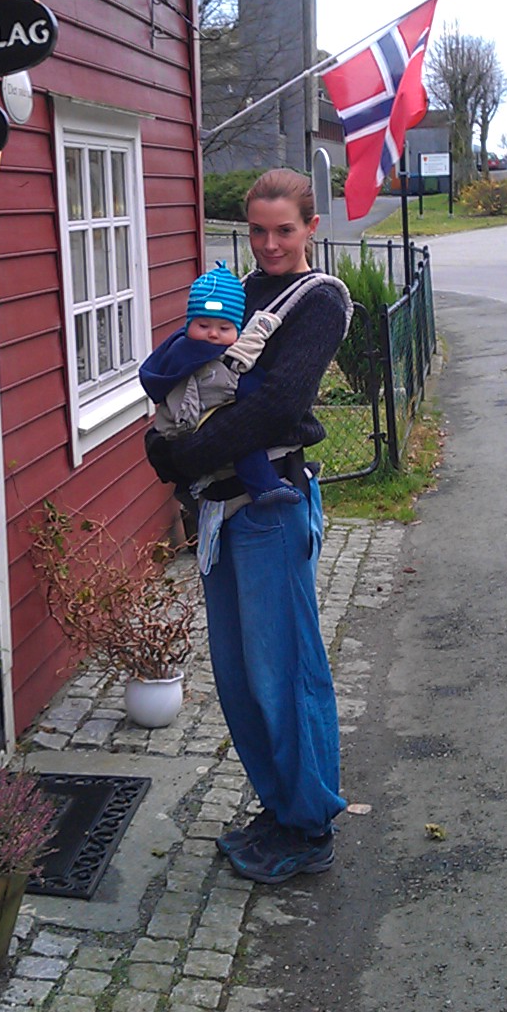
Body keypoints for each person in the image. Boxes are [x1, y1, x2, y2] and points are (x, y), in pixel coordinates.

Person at [144, 169, 353, 884]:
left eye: (284, 230)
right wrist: (163, 437)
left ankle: (309, 824)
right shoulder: (237, 292)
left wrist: (181, 457)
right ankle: (279, 806)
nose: (269, 244)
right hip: (218, 511)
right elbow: (188, 375)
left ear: (310, 228)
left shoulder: (318, 300)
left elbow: (277, 406)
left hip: (270, 510)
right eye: (258, 230)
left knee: (283, 672)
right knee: (238, 676)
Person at [139, 261, 294, 506]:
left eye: (224, 328)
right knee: (242, 439)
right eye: (203, 325)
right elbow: (246, 387)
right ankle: (265, 487)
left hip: (179, 432)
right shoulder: (197, 354)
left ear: (237, 330)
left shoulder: (173, 352)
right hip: (191, 424)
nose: (213, 334)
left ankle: (190, 493)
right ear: (189, 324)